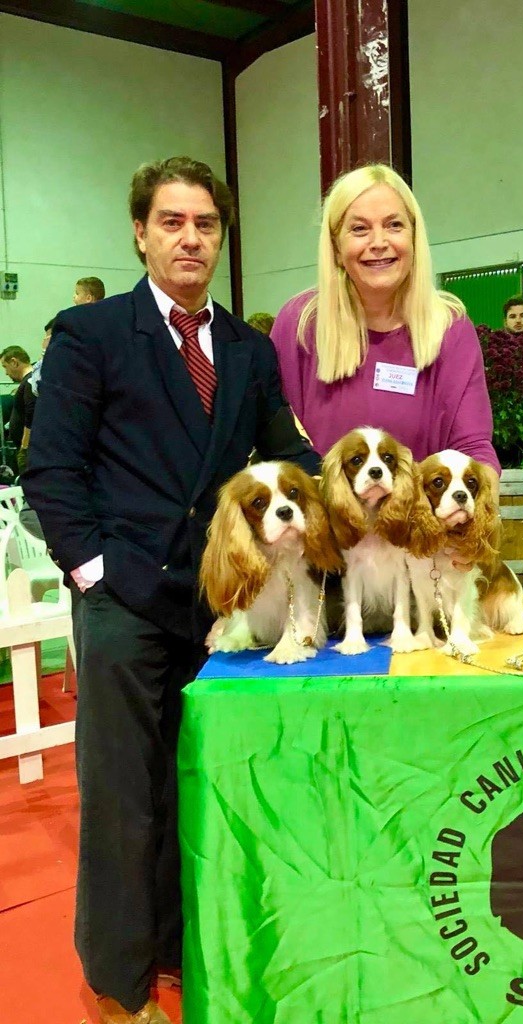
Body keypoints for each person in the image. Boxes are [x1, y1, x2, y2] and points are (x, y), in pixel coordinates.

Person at [24, 155, 319, 1024]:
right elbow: (53, 470)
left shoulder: (249, 351)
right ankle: (119, 983)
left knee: (202, 782)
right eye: (172, 222)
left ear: (222, 238)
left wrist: (357, 482)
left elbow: (286, 454)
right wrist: (93, 571)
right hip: (123, 601)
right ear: (140, 233)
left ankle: (181, 946)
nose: (191, 239)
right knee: (124, 797)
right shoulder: (92, 335)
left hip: (220, 604)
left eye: (206, 225)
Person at [271, 163, 500, 475]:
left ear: (414, 237)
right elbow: (278, 446)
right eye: (359, 229)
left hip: (419, 508)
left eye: (394, 225)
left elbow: (473, 449)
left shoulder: (450, 328)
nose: (378, 243)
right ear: (336, 247)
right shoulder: (299, 325)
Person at [0, 344, 35, 473]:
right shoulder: (28, 382)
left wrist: (24, 448)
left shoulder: (30, 382)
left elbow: (31, 416)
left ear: (14, 362)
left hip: (29, 450)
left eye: (5, 367)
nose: (6, 373)